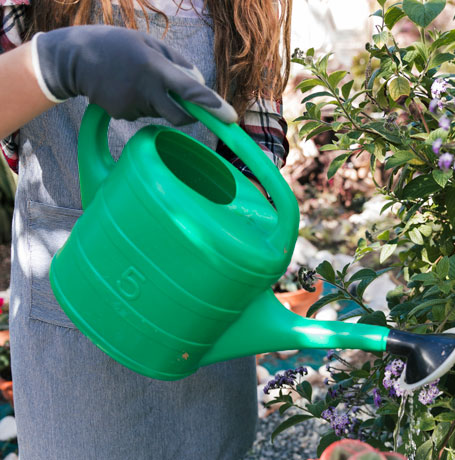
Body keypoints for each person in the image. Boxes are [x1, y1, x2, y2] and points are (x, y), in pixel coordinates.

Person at [0, 0, 291, 458]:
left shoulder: (246, 8)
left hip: (200, 316)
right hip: (76, 339)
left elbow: (255, 162)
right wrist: (56, 64)